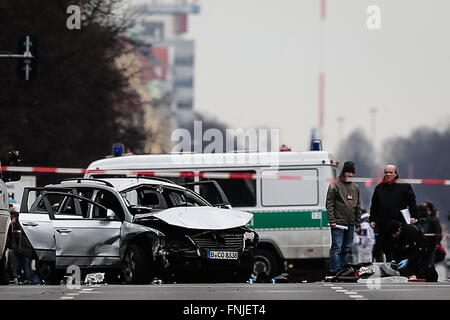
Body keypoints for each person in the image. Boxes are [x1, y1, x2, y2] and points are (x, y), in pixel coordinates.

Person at [369, 164, 418, 262]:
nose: (388, 174)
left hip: (400, 225)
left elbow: (412, 203)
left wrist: (414, 216)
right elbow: (374, 206)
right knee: (387, 250)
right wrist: (372, 219)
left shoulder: (405, 186)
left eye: (390, 172)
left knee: (401, 249)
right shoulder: (379, 188)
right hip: (384, 226)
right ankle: (390, 271)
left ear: (395, 173)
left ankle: (402, 271)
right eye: (386, 172)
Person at [326, 161, 362, 275]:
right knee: (337, 248)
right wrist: (332, 221)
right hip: (338, 223)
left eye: (352, 173)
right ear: (343, 172)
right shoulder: (334, 185)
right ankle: (334, 270)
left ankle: (342, 270)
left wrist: (358, 223)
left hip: (351, 223)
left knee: (346, 248)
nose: (350, 175)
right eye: (348, 172)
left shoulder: (355, 187)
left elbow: (358, 206)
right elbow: (329, 204)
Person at [9, 210, 40, 284]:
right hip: (19, 250)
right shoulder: (13, 226)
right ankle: (23, 278)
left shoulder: (21, 226)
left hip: (24, 250)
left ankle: (32, 279)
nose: (11, 219)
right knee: (20, 265)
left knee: (26, 266)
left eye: (12, 217)